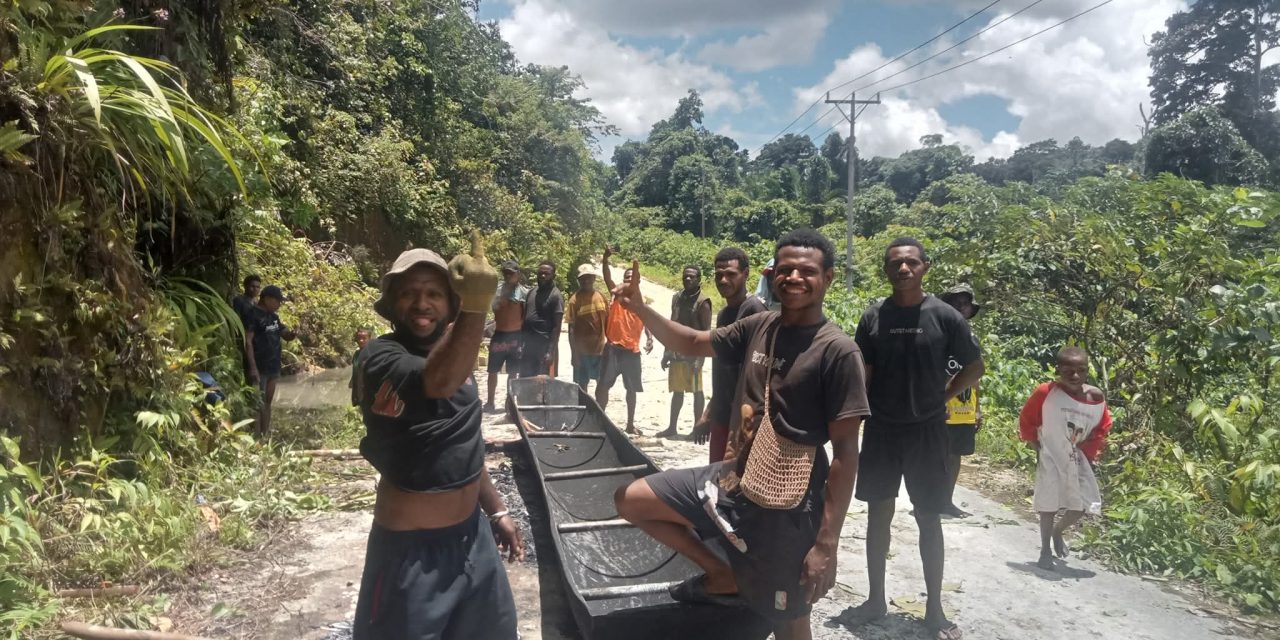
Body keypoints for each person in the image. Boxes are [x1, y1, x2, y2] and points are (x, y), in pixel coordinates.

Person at [613, 229, 869, 640]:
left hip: (788, 501)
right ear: (772, 274)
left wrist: (826, 544)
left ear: (828, 277)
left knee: (788, 620)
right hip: (734, 478)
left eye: (807, 271)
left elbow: (845, 453)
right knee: (632, 499)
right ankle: (722, 573)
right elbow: (692, 341)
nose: (794, 278)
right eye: (785, 269)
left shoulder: (838, 351)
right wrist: (641, 308)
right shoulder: (761, 325)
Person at [350, 234, 524, 640]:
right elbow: (436, 380)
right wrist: (477, 305)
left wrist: (496, 510)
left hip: (472, 537)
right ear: (392, 304)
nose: (422, 303)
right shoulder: (380, 355)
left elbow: (463, 444)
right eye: (408, 294)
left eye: (433, 294)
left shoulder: (457, 355)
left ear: (450, 304)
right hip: (410, 552)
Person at [847, 237, 983, 640]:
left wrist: (942, 396)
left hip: (928, 431)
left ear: (925, 266)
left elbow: (974, 367)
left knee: (928, 517)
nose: (903, 269)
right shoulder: (873, 317)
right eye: (895, 264)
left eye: (911, 262)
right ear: (886, 270)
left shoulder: (946, 317)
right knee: (878, 513)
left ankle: (934, 609)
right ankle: (875, 599)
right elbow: (864, 371)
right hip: (882, 430)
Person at [1019, 346, 1112, 571]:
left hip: (1078, 457)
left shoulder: (1095, 398)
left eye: (1081, 370)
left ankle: (1058, 531)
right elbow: (1027, 420)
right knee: (1048, 504)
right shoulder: (1046, 393)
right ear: (1058, 369)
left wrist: (1090, 455)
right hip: (1050, 454)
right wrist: (1039, 448)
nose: (1075, 376)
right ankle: (1045, 551)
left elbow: (1101, 428)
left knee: (1081, 505)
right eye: (1068, 370)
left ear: (1088, 370)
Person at [692, 247, 767, 462]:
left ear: (746, 274)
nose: (723, 280)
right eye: (718, 275)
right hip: (723, 413)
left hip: (744, 419)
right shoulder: (724, 314)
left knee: (735, 477)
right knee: (717, 474)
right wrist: (709, 412)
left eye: (731, 274)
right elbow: (723, 371)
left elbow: (757, 374)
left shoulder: (755, 311)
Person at [597, 245, 653, 434]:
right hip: (613, 348)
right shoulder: (616, 295)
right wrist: (605, 259)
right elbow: (607, 277)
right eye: (626, 278)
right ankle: (600, 421)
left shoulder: (639, 300)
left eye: (633, 278)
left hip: (632, 351)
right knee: (603, 386)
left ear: (637, 281)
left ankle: (630, 424)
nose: (629, 280)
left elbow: (645, 319)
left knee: (631, 389)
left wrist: (649, 337)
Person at [939, 284, 983, 518]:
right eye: (955, 303)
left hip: (964, 406)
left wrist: (977, 409)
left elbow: (975, 375)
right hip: (940, 404)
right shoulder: (937, 334)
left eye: (965, 304)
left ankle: (946, 501)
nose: (960, 307)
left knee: (955, 455)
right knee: (936, 454)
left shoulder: (971, 338)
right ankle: (928, 501)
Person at [660, 265, 711, 438]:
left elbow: (707, 332)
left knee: (697, 391)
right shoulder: (677, 298)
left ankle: (697, 429)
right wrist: (666, 352)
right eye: (685, 276)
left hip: (694, 353)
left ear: (699, 280)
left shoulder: (703, 302)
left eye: (691, 277)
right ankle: (672, 427)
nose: (687, 279)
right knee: (677, 391)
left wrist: (700, 359)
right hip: (677, 352)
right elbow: (671, 325)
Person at [245, 285, 298, 437]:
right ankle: (255, 437)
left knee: (267, 403)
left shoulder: (273, 317)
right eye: (277, 301)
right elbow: (248, 341)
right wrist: (253, 367)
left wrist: (292, 334)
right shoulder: (253, 315)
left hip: (273, 366)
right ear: (267, 299)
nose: (279, 304)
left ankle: (265, 436)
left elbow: (284, 333)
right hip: (259, 366)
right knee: (258, 403)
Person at [485, 260, 527, 411]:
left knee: (513, 372)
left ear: (518, 274)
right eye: (506, 273)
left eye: (511, 273)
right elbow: (493, 309)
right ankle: (490, 402)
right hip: (499, 336)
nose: (509, 276)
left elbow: (525, 314)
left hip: (516, 337)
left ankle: (509, 403)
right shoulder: (497, 291)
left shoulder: (523, 293)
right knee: (492, 371)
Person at [566, 264, 608, 394]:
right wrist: (574, 354)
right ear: (579, 280)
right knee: (582, 385)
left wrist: (609, 347)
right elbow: (571, 330)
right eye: (582, 278)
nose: (586, 281)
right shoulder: (574, 300)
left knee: (602, 383)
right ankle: (584, 407)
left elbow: (607, 322)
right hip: (582, 352)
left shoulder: (601, 297)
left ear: (594, 278)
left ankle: (599, 406)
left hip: (600, 350)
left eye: (588, 277)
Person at [521, 260, 563, 378]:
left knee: (541, 384)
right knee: (525, 381)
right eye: (540, 273)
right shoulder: (531, 292)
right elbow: (525, 318)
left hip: (544, 348)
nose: (543, 276)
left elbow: (557, 327)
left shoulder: (555, 296)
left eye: (547, 274)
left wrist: (550, 351)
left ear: (553, 276)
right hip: (528, 346)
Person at [350, 327, 373, 407]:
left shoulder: (372, 354)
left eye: (364, 338)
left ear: (369, 339)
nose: (361, 340)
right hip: (357, 390)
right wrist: (352, 380)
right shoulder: (356, 354)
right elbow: (355, 369)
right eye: (359, 338)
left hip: (367, 391)